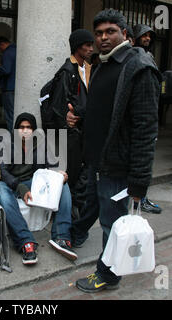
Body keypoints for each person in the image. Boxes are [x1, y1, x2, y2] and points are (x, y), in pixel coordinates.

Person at [75, 9, 161, 293]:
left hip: (118, 166)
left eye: (110, 31)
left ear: (125, 34)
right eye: (98, 33)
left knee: (112, 225)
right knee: (96, 210)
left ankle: (108, 276)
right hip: (97, 161)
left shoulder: (139, 67)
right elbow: (104, 110)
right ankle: (74, 235)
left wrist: (139, 180)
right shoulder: (102, 64)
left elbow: (145, 129)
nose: (103, 37)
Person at [0, 112, 77, 264]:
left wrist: (59, 174)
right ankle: (25, 241)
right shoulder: (6, 142)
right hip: (11, 183)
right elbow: (2, 170)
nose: (25, 130)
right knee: (1, 191)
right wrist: (19, 187)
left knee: (62, 185)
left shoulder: (40, 143)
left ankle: (62, 237)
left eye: (29, 127)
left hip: (32, 182)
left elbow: (51, 165)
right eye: (21, 127)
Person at [51, 29, 94, 221]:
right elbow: (58, 106)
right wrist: (69, 122)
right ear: (77, 47)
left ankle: (77, 207)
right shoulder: (68, 70)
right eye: (87, 45)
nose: (91, 48)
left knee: (84, 170)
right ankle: (69, 213)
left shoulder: (89, 68)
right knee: (72, 172)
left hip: (85, 131)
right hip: (72, 134)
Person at [133, 24, 162, 214]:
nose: (147, 39)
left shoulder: (148, 57)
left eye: (149, 36)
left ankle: (142, 198)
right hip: (138, 119)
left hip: (149, 114)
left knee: (144, 162)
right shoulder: (135, 58)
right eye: (144, 35)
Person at [0, 36, 17, 132]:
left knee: (9, 114)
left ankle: (13, 136)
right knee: (15, 113)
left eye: (0, 49)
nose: (1, 51)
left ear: (2, 44)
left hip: (8, 87)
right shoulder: (17, 50)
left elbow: (6, 70)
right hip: (17, 87)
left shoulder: (7, 53)